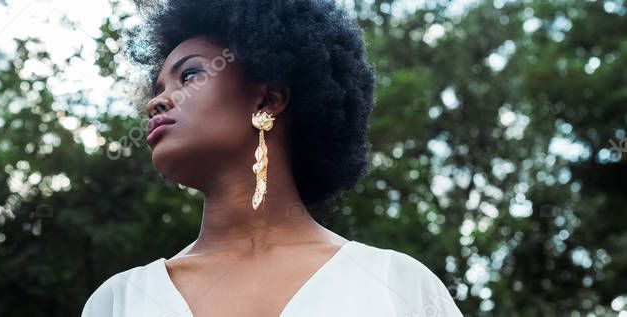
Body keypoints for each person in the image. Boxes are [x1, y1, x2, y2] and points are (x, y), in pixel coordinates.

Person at [82, 0, 463, 316]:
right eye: (158, 87)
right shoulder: (119, 302)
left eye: (190, 75)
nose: (156, 102)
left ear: (268, 99)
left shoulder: (401, 289)